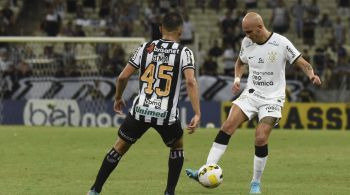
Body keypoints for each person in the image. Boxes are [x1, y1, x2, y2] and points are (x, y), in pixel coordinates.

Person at [185, 12, 321, 194]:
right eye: (244, 32)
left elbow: (303, 63)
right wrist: (236, 78)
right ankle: (207, 169)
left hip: (273, 98)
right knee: (227, 126)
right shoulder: (246, 42)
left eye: (249, 31)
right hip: (251, 94)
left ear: (260, 27)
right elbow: (240, 63)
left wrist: (312, 75)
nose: (246, 35)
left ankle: (255, 183)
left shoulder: (281, 43)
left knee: (260, 137)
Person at [87, 12, 201, 195]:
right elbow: (190, 82)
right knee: (177, 145)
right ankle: (169, 192)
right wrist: (197, 112)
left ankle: (94, 190)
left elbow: (122, 77)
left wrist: (118, 97)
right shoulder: (184, 52)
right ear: (180, 31)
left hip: (140, 110)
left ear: (161, 28)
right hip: (165, 114)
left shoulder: (145, 48)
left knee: (119, 147)